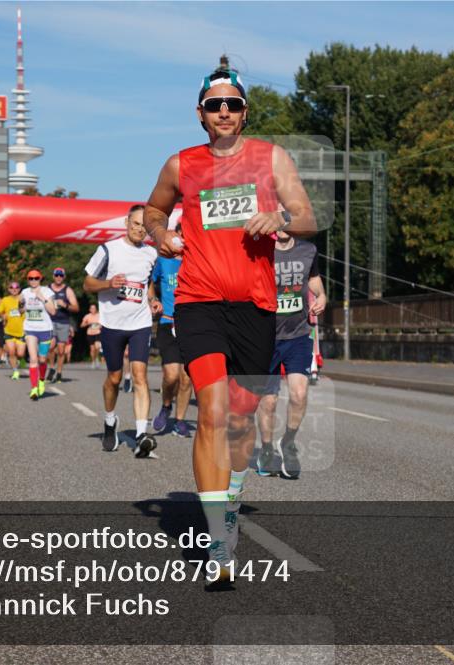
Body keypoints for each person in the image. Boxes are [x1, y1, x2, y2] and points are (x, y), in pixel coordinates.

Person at [142, 67, 316, 580]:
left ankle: (232, 497)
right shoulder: (181, 164)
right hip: (198, 301)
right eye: (215, 104)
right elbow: (154, 210)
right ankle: (217, 539)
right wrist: (160, 235)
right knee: (213, 408)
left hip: (257, 305)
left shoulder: (270, 158)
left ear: (244, 113)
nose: (224, 112)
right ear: (200, 113)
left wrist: (279, 220)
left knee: (240, 423)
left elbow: (306, 214)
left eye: (233, 105)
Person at [83, 205, 160, 457]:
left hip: (139, 323)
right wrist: (108, 283)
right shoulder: (108, 249)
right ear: (127, 222)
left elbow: (146, 283)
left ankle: (141, 435)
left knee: (140, 376)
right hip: (112, 324)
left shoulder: (151, 253)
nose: (140, 229)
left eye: (144, 226)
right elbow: (87, 283)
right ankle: (109, 420)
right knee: (114, 379)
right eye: (136, 223)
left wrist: (152, 300)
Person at [257, 231, 327, 479]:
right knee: (268, 401)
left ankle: (287, 442)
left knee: (299, 393)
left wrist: (322, 297)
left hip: (298, 334)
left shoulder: (308, 250)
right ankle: (266, 449)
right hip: (266, 336)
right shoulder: (261, 249)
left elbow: (314, 280)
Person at [151, 234, 192, 438]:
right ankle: (166, 406)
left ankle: (181, 420)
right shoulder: (163, 260)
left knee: (186, 378)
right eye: (178, 236)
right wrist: (153, 299)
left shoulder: (196, 261)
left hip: (191, 326)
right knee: (171, 375)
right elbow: (149, 281)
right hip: (167, 322)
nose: (181, 240)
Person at [18, 269, 57, 400]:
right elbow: (21, 311)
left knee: (42, 359)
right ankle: (34, 389)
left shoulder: (47, 291)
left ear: (40, 278)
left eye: (36, 278)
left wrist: (43, 299)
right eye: (31, 278)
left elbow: (53, 311)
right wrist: (21, 305)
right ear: (28, 280)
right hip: (30, 329)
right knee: (33, 359)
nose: (33, 280)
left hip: (45, 329)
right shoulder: (24, 292)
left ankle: (41, 380)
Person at [45, 267, 79, 384]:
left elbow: (76, 308)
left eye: (61, 275)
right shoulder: (47, 289)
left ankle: (59, 372)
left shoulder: (67, 290)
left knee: (61, 350)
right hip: (49, 321)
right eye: (56, 275)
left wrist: (64, 304)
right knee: (50, 347)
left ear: (64, 277)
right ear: (53, 276)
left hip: (63, 322)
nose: (58, 277)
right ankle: (51, 368)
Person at [0, 282, 27, 380]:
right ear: (9, 289)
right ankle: (15, 371)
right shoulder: (5, 300)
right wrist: (3, 316)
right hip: (9, 331)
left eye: (16, 287)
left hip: (21, 332)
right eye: (11, 287)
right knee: (11, 352)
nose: (14, 289)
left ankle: (21, 359)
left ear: (19, 289)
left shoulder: (23, 299)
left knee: (20, 353)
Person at [80, 304, 102, 368]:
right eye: (92, 308)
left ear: (96, 309)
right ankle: (93, 361)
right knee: (92, 349)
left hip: (98, 332)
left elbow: (104, 323)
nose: (93, 310)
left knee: (97, 347)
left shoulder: (99, 315)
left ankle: (97, 358)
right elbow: (81, 325)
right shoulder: (87, 316)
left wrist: (100, 325)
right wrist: (87, 323)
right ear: (89, 309)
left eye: (94, 308)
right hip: (90, 333)